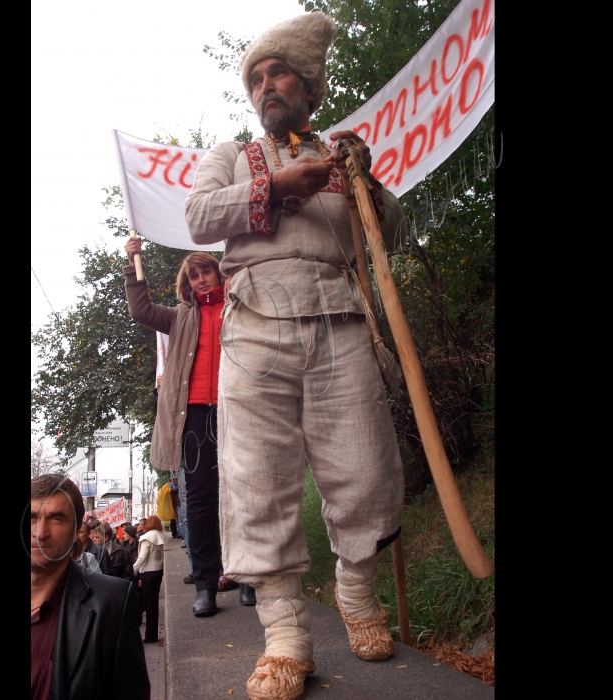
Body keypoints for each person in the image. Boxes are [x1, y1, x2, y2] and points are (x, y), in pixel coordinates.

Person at [183, 12, 408, 700]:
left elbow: (388, 235)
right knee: (257, 481)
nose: (265, 85)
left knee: (366, 468)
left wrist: (365, 182)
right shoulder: (230, 153)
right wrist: (279, 187)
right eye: (256, 77)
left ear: (310, 90)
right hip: (254, 326)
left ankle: (358, 596)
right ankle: (284, 635)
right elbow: (197, 217)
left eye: (278, 73)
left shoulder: (341, 156)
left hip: (341, 320)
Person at [123, 246, 227, 617]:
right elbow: (141, 311)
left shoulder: (239, 306)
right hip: (195, 418)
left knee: (242, 490)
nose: (200, 280)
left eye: (205, 273)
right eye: (193, 276)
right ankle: (205, 584)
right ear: (188, 284)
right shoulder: (180, 316)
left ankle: (248, 577)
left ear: (218, 273)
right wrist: (134, 268)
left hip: (237, 410)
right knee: (198, 500)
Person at [30, 473, 149, 699]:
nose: (40, 533)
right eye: (32, 517)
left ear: (77, 530)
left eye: (56, 519)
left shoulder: (112, 604)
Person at [132, 515, 168, 643]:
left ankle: (150, 635)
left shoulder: (146, 538)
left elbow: (142, 557)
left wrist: (133, 570)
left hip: (148, 572)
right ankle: (151, 634)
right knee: (154, 604)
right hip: (158, 570)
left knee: (149, 604)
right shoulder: (160, 535)